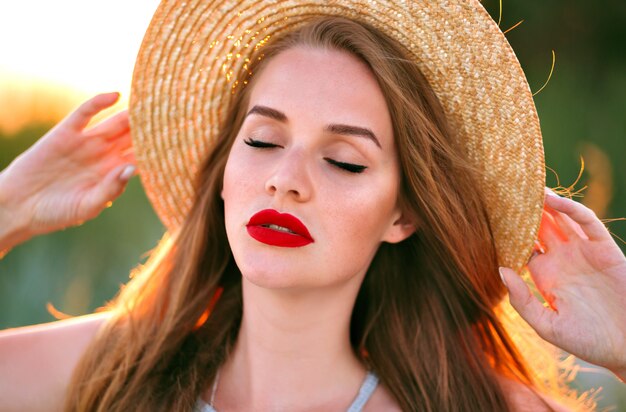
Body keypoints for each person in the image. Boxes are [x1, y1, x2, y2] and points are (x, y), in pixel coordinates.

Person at [0, 1, 625, 411]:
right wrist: (12, 206)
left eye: (345, 160)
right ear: (223, 173)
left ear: (401, 216)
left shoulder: (476, 406)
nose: (286, 180)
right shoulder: (115, 370)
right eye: (264, 141)